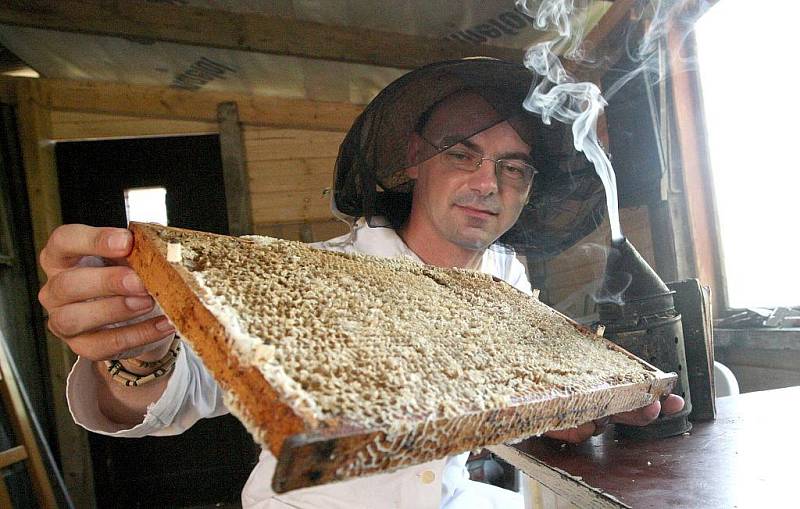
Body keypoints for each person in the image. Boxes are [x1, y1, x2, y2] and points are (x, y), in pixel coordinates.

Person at [38, 59, 683, 509]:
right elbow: (176, 393)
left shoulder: (509, 282)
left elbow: (503, 405)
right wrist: (135, 351)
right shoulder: (303, 281)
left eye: (512, 168)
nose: (488, 183)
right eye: (462, 154)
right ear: (413, 161)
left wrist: (581, 409)